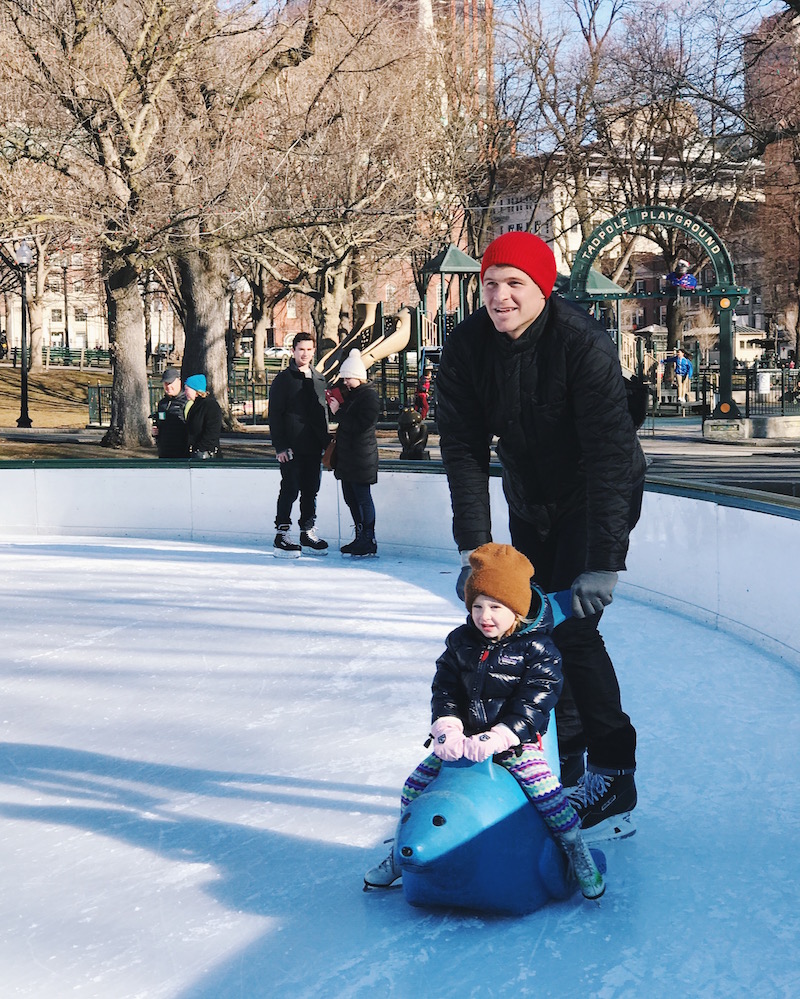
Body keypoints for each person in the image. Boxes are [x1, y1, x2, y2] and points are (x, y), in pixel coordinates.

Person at [435, 230, 646, 841]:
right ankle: (565, 767)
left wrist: (603, 562)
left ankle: (611, 773)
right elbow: (465, 451)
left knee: (574, 632)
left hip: (595, 495)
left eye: (515, 284)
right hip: (531, 498)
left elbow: (611, 456)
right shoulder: (468, 346)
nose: (500, 296)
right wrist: (477, 550)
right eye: (490, 283)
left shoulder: (581, 343)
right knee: (531, 630)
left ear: (543, 288)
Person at [364, 543, 604, 900]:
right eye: (477, 606)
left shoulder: (539, 650)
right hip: (463, 742)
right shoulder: (461, 642)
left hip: (516, 745)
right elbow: (444, 686)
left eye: (496, 607)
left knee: (549, 796)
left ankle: (575, 851)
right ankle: (401, 852)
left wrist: (500, 736)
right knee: (413, 788)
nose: (484, 616)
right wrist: (447, 726)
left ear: (517, 611)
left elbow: (536, 703)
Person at [267, 332, 330, 557]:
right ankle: (282, 533)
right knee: (290, 488)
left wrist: (327, 442)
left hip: (314, 446)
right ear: (293, 351)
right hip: (292, 447)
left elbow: (322, 413)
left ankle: (307, 530)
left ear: (314, 351)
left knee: (311, 490)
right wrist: (280, 446)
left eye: (309, 349)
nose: (305, 353)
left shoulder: (319, 378)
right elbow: (274, 414)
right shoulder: (284, 380)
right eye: (301, 349)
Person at [327, 348, 380, 556]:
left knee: (362, 498)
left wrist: (338, 411)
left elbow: (361, 425)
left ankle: (368, 537)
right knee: (351, 498)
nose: (345, 381)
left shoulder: (368, 397)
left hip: (361, 458)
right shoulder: (353, 395)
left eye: (348, 377)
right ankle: (360, 536)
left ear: (358, 377)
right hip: (348, 457)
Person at [151, 367, 189, 460]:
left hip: (182, 451)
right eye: (165, 383)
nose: (168, 387)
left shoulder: (186, 402)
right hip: (164, 451)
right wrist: (156, 431)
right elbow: (160, 422)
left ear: (178, 381)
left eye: (170, 383)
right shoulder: (162, 403)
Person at [184, 374, 223, 460]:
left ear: (196, 390)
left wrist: (200, 449)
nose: (185, 392)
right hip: (196, 452)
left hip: (207, 454)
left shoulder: (210, 405)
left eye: (187, 389)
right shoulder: (194, 406)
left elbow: (212, 431)